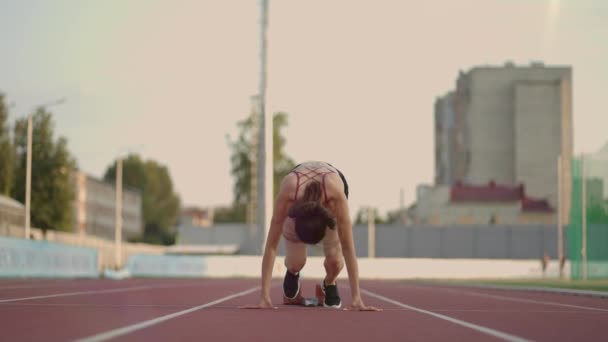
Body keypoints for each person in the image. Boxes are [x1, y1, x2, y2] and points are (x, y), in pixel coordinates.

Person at [241, 161, 381, 311]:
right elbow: (271, 246)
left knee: (336, 263)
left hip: (329, 199)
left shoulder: (335, 198)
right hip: (299, 200)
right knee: (296, 262)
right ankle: (293, 272)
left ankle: (329, 283)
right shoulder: (289, 193)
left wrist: (356, 299)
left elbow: (348, 247)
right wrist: (264, 297)